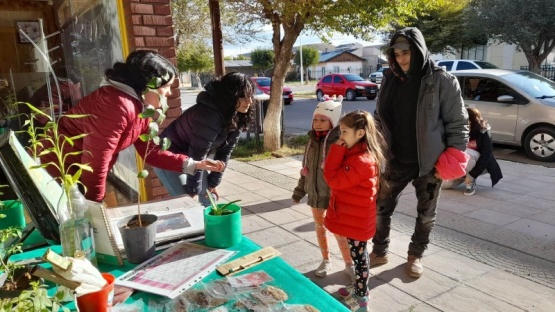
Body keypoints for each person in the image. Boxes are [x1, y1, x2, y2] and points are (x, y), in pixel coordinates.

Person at [38, 50, 222, 202]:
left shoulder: (139, 108)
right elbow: (96, 161)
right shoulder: (116, 104)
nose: (170, 93)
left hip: (75, 174)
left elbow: (151, 152)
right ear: (149, 84)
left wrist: (194, 164)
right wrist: (95, 207)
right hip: (55, 171)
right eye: (166, 86)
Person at [371, 27, 469, 278]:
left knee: (426, 215)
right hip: (394, 160)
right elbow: (379, 117)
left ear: (420, 50)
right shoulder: (390, 79)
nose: (402, 59)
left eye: (407, 53)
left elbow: (458, 124)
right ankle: (379, 250)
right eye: (397, 54)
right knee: (380, 208)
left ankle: (415, 255)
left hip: (430, 163)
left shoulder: (442, 81)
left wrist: (450, 159)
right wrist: (376, 146)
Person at [153, 72, 254, 206]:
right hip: (167, 154)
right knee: (188, 203)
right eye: (243, 97)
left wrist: (213, 183)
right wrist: (193, 192)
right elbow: (197, 154)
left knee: (207, 201)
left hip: (192, 157)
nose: (249, 102)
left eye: (250, 96)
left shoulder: (237, 114)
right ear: (230, 96)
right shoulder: (209, 114)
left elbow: (225, 152)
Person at [323, 110, 386, 311]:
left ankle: (361, 298)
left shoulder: (361, 161)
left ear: (360, 133)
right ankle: (359, 290)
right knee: (359, 256)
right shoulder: (358, 155)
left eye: (344, 132)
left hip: (357, 220)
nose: (340, 137)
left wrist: (335, 150)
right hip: (355, 218)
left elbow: (332, 178)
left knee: (360, 260)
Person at [292, 95, 355, 281]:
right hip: (315, 195)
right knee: (320, 227)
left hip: (335, 196)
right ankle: (325, 259)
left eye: (323, 120)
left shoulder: (341, 142)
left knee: (340, 232)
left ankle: (349, 263)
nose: (317, 124)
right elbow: (306, 169)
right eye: (315, 120)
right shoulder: (311, 141)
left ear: (333, 122)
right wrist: (299, 191)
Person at [443, 106, 503, 195]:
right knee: (445, 185)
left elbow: (486, 155)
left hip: (479, 164)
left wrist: (472, 175)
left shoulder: (484, 131)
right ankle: (463, 176)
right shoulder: (459, 130)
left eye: (467, 121)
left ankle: (470, 181)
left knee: (468, 153)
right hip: (460, 165)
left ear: (474, 121)